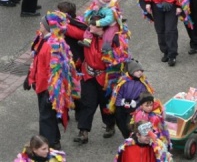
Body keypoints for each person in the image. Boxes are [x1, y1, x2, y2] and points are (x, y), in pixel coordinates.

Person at [24, 11, 79, 150]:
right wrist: (30, 77)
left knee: (46, 117)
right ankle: (54, 140)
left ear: (49, 27)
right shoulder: (45, 39)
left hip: (48, 88)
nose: (40, 25)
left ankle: (47, 146)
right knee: (48, 116)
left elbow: (56, 72)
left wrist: (52, 93)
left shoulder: (53, 46)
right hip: (42, 85)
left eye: (42, 23)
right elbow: (38, 61)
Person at [73, 14, 130, 144]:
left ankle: (110, 125)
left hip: (106, 77)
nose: (90, 26)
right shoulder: (87, 35)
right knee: (87, 103)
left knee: (106, 103)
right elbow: (70, 29)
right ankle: (83, 132)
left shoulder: (112, 40)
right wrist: (58, 18)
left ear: (101, 27)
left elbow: (120, 58)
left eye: (93, 24)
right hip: (88, 74)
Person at [107, 60, 154, 138]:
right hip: (121, 107)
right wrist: (121, 101)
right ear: (131, 71)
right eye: (137, 71)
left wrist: (136, 102)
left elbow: (144, 96)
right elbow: (117, 93)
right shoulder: (123, 81)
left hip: (134, 108)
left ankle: (131, 136)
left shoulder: (143, 83)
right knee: (120, 121)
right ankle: (126, 135)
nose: (140, 73)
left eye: (141, 71)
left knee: (130, 123)